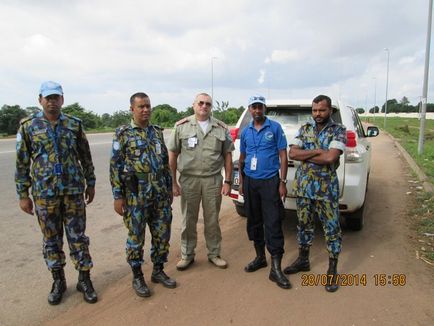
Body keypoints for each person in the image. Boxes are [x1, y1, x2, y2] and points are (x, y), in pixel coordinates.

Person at [15, 81, 97, 305]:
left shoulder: (74, 124)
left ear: (62, 99)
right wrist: (23, 194)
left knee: (78, 238)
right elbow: (21, 164)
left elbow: (85, 157)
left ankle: (84, 279)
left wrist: (90, 183)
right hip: (44, 194)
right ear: (40, 100)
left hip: (72, 192)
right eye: (48, 98)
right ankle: (58, 281)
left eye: (56, 97)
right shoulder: (28, 126)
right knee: (51, 240)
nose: (52, 102)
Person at [110, 92, 176, 298]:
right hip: (135, 198)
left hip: (159, 196)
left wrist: (169, 187)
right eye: (141, 107)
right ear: (132, 109)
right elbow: (115, 167)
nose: (146, 110)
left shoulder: (156, 132)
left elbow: (165, 163)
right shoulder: (123, 133)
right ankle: (137, 276)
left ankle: (158, 270)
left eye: (148, 106)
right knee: (136, 238)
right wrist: (117, 196)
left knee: (162, 235)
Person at [283, 94, 346, 292]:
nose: (317, 114)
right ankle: (303, 260)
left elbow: (330, 158)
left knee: (332, 229)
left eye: (322, 110)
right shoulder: (304, 129)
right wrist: (319, 152)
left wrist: (308, 155)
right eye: (314, 110)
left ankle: (332, 269)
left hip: (326, 190)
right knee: (303, 225)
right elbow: (292, 154)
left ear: (330, 111)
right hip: (304, 188)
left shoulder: (339, 131)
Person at [168, 93, 234, 271]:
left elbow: (228, 155)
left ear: (211, 107)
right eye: (201, 103)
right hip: (189, 180)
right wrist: (173, 182)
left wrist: (227, 181)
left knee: (212, 220)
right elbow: (172, 155)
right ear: (194, 105)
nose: (204, 106)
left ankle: (214, 253)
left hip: (213, 180)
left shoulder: (221, 127)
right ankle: (187, 255)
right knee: (188, 219)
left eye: (208, 104)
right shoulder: (181, 126)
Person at [238, 95, 291, 289]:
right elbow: (242, 158)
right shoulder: (245, 132)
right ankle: (260, 257)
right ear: (250, 109)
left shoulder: (275, 128)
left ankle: (275, 268)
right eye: (254, 107)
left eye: (260, 107)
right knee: (253, 221)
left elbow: (283, 156)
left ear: (264, 109)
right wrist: (242, 182)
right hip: (251, 182)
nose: (257, 111)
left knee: (273, 221)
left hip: (270, 181)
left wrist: (282, 182)